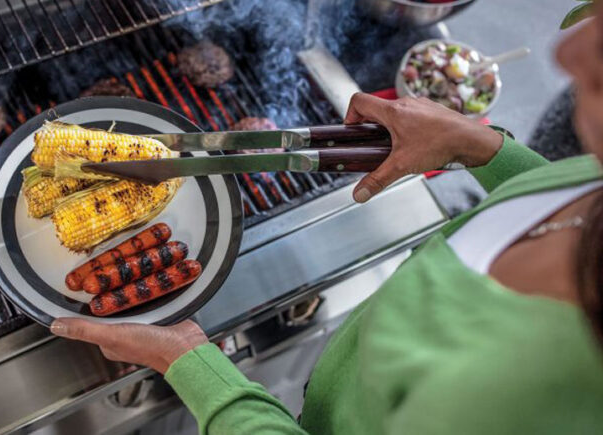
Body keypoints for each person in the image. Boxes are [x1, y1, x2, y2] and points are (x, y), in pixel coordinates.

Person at [49, 11, 603, 435]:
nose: (569, 50)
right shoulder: (591, 179)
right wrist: (484, 148)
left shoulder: (544, 389)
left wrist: (192, 366)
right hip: (334, 388)